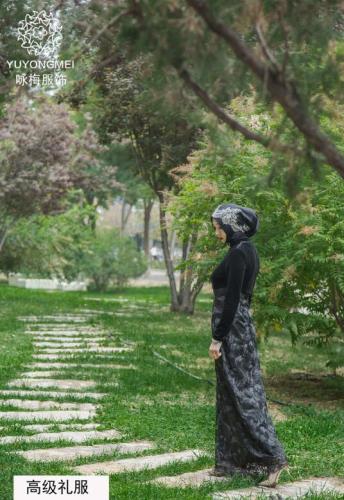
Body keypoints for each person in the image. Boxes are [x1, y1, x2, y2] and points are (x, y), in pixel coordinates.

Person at [208, 203, 289, 487]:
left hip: (232, 331)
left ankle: (273, 458)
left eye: (219, 227)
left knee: (243, 394)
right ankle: (230, 462)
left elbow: (232, 300)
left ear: (232, 226)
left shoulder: (240, 253)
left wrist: (218, 337)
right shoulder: (243, 251)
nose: (216, 232)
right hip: (238, 326)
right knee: (231, 392)